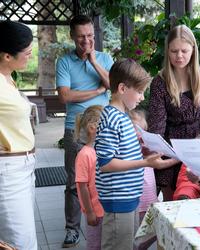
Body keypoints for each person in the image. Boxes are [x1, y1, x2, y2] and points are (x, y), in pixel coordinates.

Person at [94, 59, 177, 250]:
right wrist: (145, 163)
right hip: (118, 199)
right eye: (139, 92)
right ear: (122, 88)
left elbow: (122, 153)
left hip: (128, 198)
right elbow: (106, 164)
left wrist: (144, 152)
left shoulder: (122, 116)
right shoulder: (111, 118)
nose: (141, 98)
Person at [56, 14, 113, 247]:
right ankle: (72, 229)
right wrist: (96, 91)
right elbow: (65, 96)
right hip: (76, 127)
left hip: (105, 125)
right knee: (75, 181)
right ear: (72, 37)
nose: (86, 41)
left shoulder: (105, 58)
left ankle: (106, 220)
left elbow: (112, 85)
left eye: (90, 36)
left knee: (107, 176)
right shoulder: (65, 62)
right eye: (81, 37)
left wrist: (93, 61)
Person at [147, 24, 200, 201]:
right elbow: (157, 126)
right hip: (171, 146)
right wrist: (158, 153)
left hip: (197, 143)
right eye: (174, 51)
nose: (179, 56)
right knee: (173, 202)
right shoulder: (160, 82)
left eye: (184, 51)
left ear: (193, 50)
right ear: (167, 51)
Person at [0, 21, 37, 250]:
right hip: (8, 172)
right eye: (27, 53)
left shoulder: (8, 77)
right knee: (20, 243)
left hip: (23, 166)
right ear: (6, 56)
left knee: (24, 238)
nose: (30, 56)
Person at [74, 105, 104, 250]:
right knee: (95, 246)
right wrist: (90, 212)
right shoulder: (85, 154)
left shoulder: (103, 150)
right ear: (93, 128)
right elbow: (82, 186)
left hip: (107, 210)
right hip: (96, 212)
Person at [128, 109, 158, 250]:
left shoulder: (146, 149)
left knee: (151, 232)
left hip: (150, 202)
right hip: (137, 204)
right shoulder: (128, 151)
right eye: (136, 129)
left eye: (143, 130)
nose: (140, 134)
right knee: (135, 235)